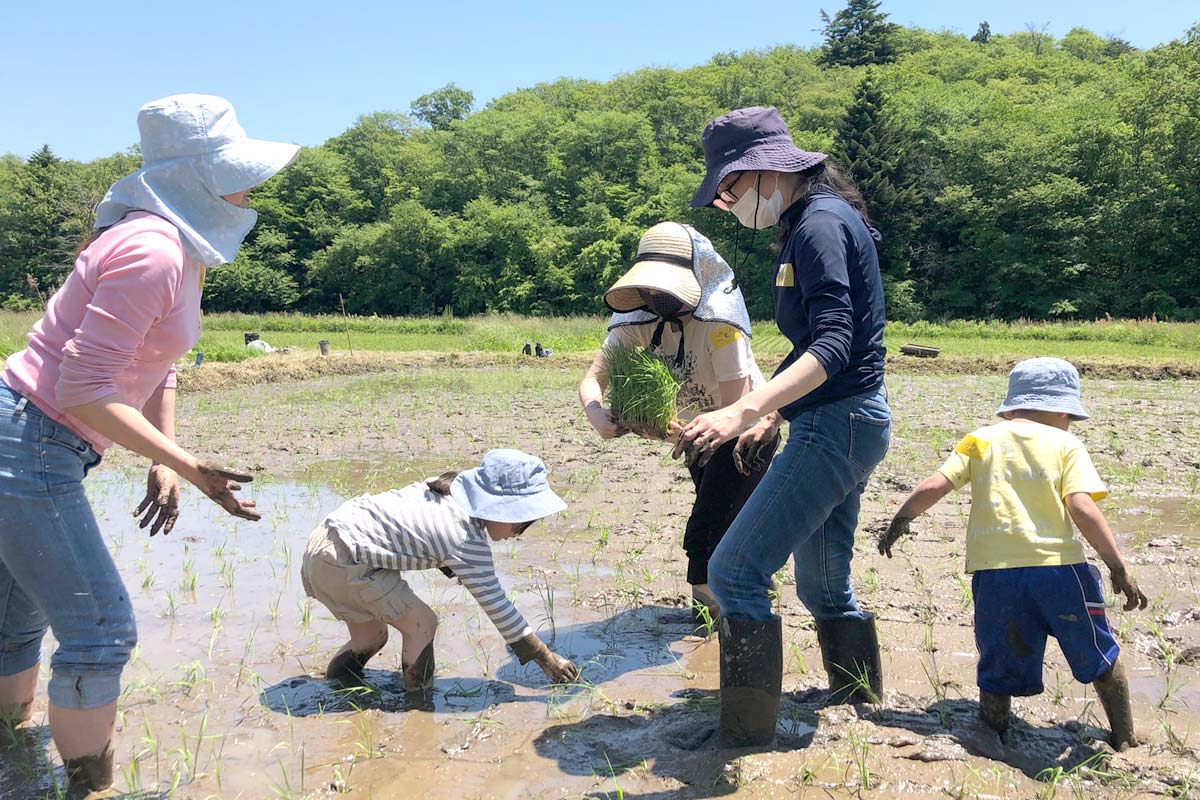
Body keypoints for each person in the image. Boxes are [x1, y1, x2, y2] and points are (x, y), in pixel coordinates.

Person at [0, 94, 297, 792]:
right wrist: (188, 467)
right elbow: (82, 388)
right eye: (234, 171)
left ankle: (11, 760)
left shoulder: (177, 246)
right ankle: (88, 786)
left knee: (18, 617)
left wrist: (166, 454)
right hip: (28, 438)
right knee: (101, 629)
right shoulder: (151, 251)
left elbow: (155, 366)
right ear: (194, 176)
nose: (248, 187)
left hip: (33, 436)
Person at [677, 106, 891, 746]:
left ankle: (740, 739)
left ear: (765, 170)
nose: (727, 205)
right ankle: (859, 705)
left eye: (729, 190)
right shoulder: (816, 222)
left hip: (837, 422)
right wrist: (769, 407)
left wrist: (744, 408)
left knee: (733, 570)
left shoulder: (819, 227)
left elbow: (832, 343)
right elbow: (813, 347)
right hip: (849, 420)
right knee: (822, 583)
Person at [878, 357, 1146, 750]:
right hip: (1060, 571)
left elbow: (937, 483)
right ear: (1061, 409)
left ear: (1013, 405)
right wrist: (1118, 567)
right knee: (1100, 656)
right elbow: (1082, 507)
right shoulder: (1067, 444)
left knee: (997, 662)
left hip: (996, 576)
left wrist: (899, 520)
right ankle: (1126, 739)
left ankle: (994, 735)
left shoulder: (979, 439)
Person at [579, 221, 779, 622]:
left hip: (745, 435)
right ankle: (748, 593)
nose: (656, 297)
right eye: (651, 290)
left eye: (664, 290)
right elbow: (591, 380)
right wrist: (598, 413)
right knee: (730, 522)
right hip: (694, 440)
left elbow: (736, 410)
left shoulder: (719, 326)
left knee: (704, 531)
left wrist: (675, 429)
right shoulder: (635, 323)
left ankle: (711, 624)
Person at [302, 449, 580, 694]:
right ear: (501, 508)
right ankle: (419, 708)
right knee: (422, 625)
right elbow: (499, 608)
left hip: (326, 543)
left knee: (370, 638)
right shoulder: (465, 539)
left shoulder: (448, 490)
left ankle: (333, 689)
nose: (518, 534)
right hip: (347, 560)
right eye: (522, 523)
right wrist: (545, 658)